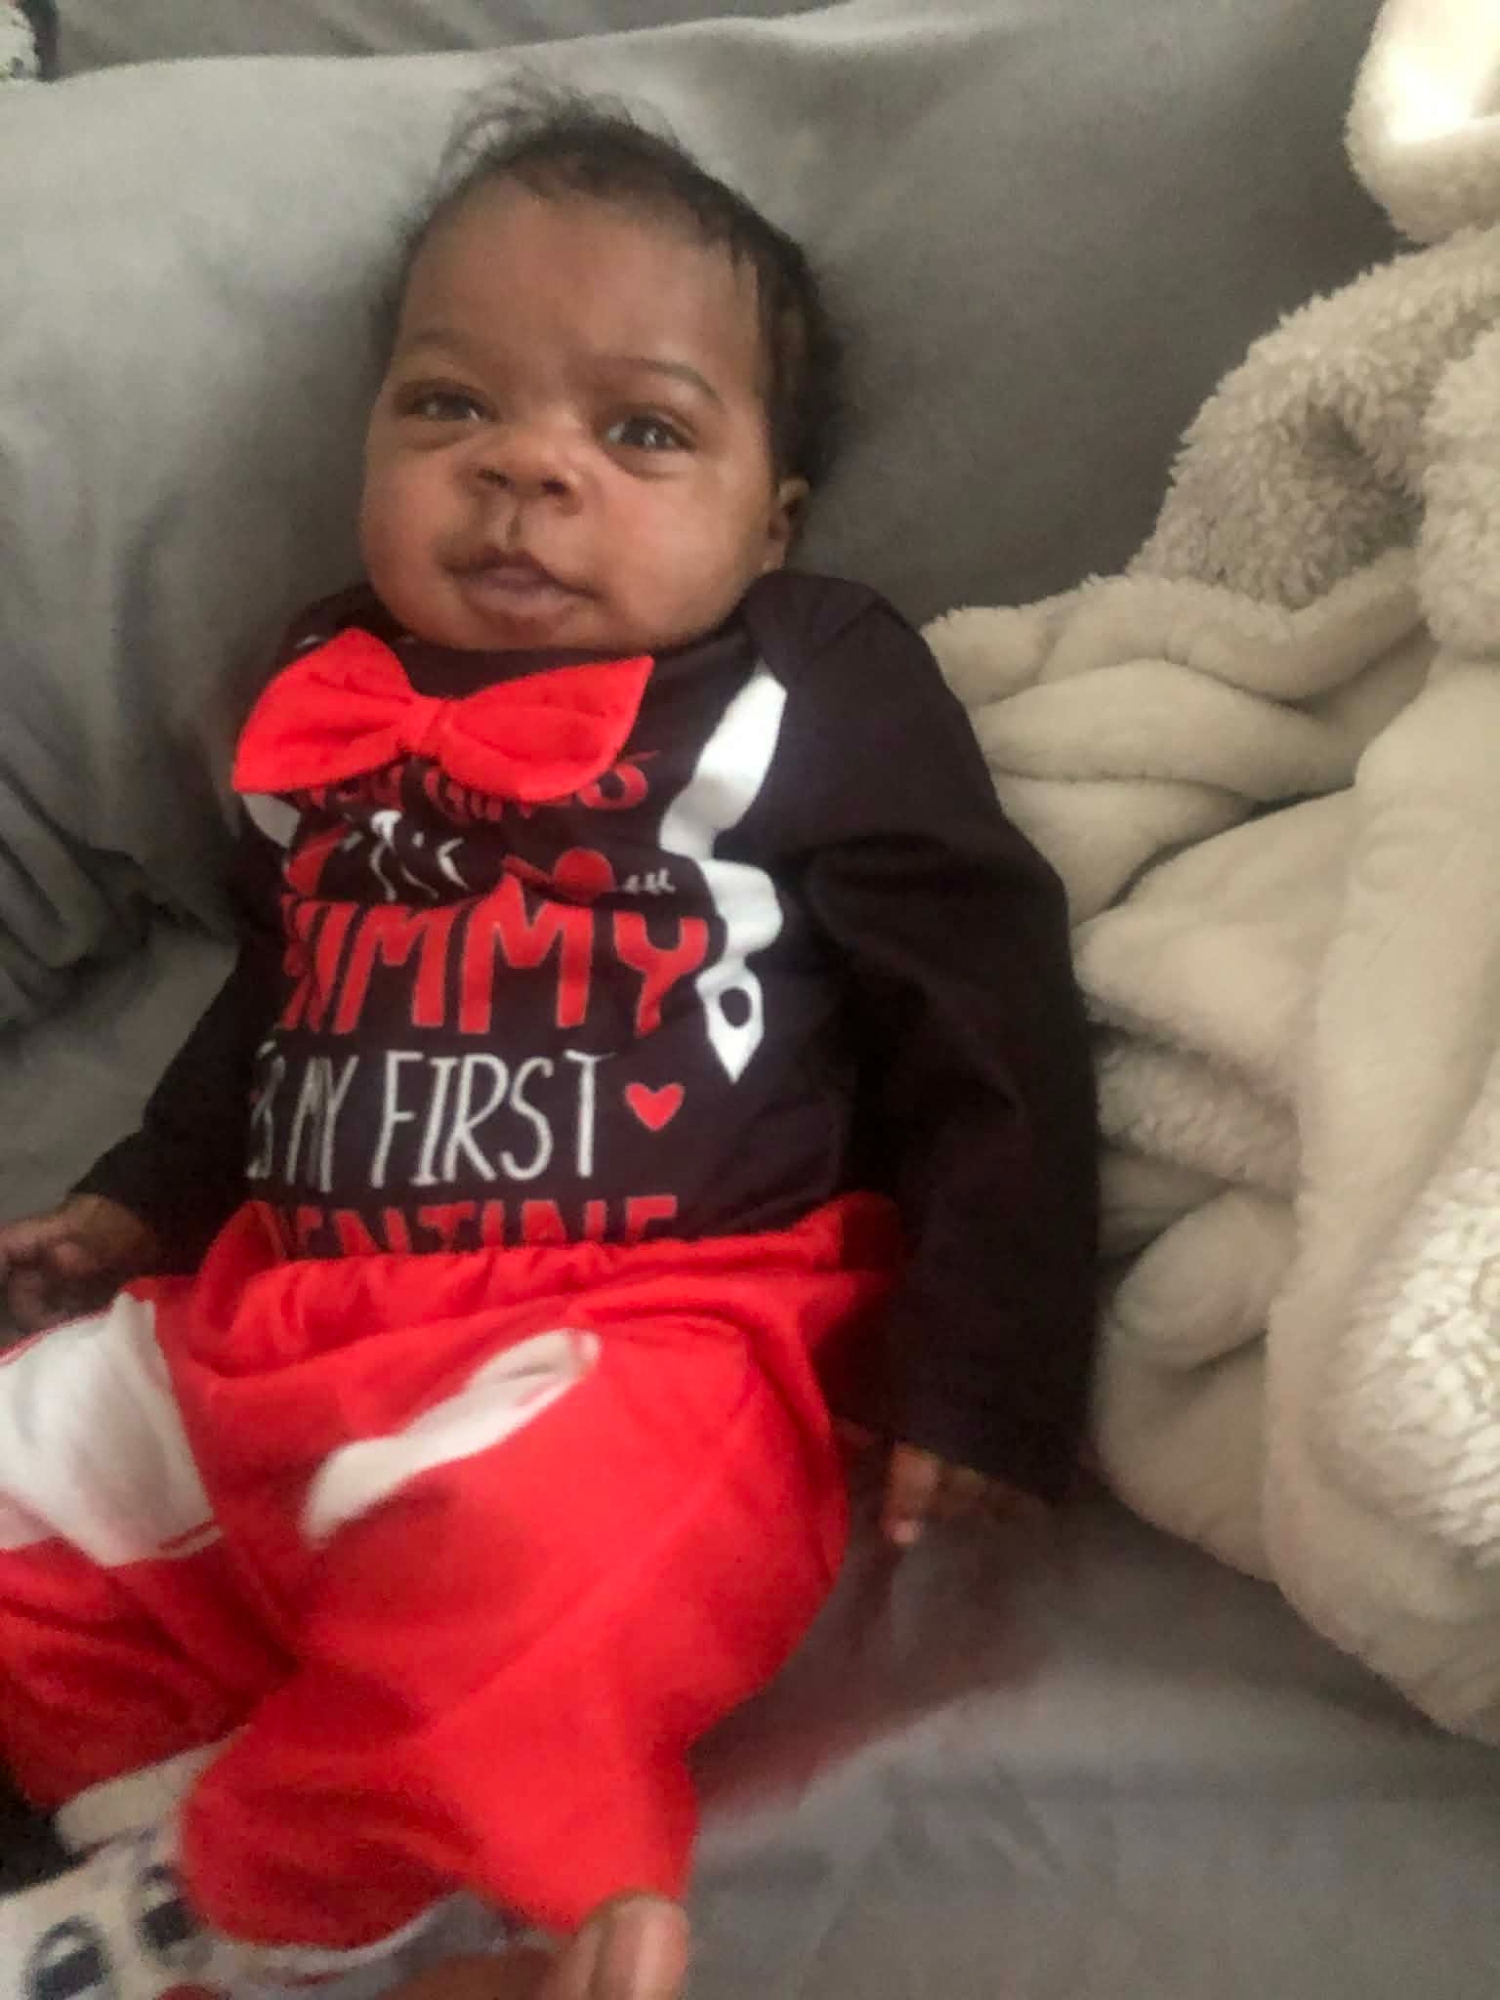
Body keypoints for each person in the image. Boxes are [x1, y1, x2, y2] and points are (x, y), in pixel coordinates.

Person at [0, 86, 1098, 2000]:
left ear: (772, 518)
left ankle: (249, 1905)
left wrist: (992, 1367)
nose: (525, 468)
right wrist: (135, 1201)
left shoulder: (804, 675)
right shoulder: (324, 687)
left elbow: (982, 1003)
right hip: (272, 1330)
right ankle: (195, 1829)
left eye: (640, 431)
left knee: (568, 1561)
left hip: (642, 1332)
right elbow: (276, 998)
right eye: (451, 407)